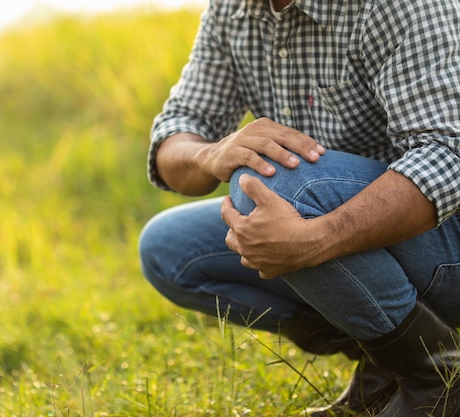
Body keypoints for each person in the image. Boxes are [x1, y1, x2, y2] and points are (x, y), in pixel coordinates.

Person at [138, 0, 460, 416]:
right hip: (336, 217)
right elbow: (177, 130)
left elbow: (448, 158)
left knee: (272, 181)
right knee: (169, 247)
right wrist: (210, 154)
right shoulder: (232, 8)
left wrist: (317, 238)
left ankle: (438, 376)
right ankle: (386, 361)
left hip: (448, 240)